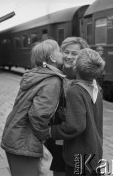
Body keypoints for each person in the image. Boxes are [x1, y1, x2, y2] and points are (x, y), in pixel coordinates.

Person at [0, 39, 66, 176]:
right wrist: (44, 136)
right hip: (24, 141)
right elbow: (38, 114)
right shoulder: (53, 80)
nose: (63, 54)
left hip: (14, 134)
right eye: (59, 50)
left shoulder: (35, 75)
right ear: (52, 57)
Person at [50, 48, 105, 176]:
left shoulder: (75, 91)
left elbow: (75, 126)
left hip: (78, 156)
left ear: (75, 68)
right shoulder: (97, 88)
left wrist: (52, 130)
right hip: (94, 152)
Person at [45, 37, 90, 176]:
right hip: (57, 135)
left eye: (74, 53)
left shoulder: (87, 77)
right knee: (59, 169)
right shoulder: (53, 74)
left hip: (79, 138)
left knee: (79, 169)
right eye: (66, 52)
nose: (68, 57)